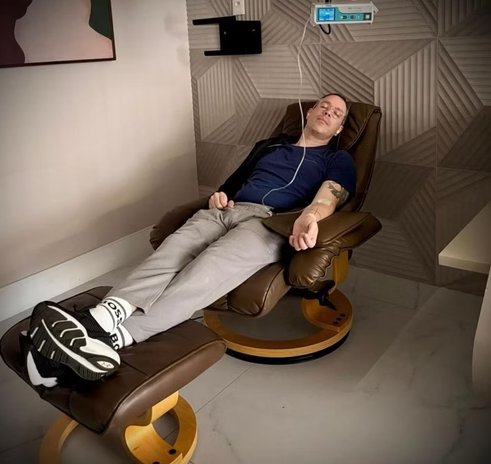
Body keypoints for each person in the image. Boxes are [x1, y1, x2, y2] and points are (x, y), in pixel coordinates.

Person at [23, 94, 357, 387]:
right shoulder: (269, 146)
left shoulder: (337, 159)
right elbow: (232, 183)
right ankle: (103, 317)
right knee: (174, 250)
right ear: (309, 112)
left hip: (272, 221)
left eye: (337, 113)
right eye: (323, 106)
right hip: (229, 209)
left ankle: (115, 338)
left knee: (207, 267)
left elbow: (328, 198)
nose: (328, 112)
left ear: (339, 129)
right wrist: (218, 196)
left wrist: (310, 216)